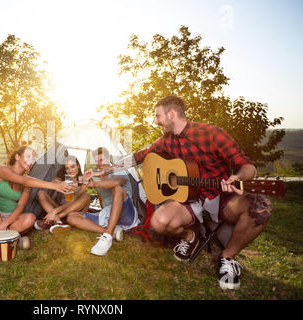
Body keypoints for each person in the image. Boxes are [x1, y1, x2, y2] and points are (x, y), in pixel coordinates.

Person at [129, 95, 272, 290]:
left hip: (219, 197)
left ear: (172, 114)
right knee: (159, 222)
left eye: (158, 116)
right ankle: (190, 237)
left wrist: (237, 177)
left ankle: (227, 257)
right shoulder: (166, 140)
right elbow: (142, 154)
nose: (155, 121)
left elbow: (247, 167)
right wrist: (109, 166)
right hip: (189, 199)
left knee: (261, 207)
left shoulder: (212, 134)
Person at [0, 146, 73, 236]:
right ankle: (2, 236)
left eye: (33, 158)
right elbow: (24, 181)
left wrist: (5, 224)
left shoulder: (29, 182)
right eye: (28, 156)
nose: (31, 161)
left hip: (10, 220)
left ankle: (2, 234)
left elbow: (20, 206)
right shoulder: (3, 170)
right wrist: (55, 186)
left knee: (30, 218)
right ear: (17, 156)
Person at [66, 147, 140, 256]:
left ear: (109, 158)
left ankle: (107, 237)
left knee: (117, 188)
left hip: (126, 212)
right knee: (71, 216)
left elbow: (116, 182)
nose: (99, 164)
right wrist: (73, 184)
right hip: (107, 215)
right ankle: (109, 231)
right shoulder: (95, 177)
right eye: (96, 161)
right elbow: (98, 197)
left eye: (102, 160)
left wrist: (94, 184)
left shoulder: (119, 170)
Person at [35, 155, 91, 234]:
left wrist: (55, 211)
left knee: (86, 196)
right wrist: (62, 184)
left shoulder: (83, 180)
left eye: (72, 167)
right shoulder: (63, 179)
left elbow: (74, 199)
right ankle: (58, 222)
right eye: (67, 168)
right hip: (60, 207)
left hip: (74, 212)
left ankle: (54, 219)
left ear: (78, 166)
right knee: (41, 193)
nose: (70, 170)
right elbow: (54, 182)